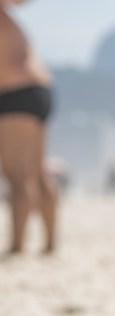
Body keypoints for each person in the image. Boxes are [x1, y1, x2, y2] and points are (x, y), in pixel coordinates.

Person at [0, 0, 58, 255]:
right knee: (38, 172)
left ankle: (17, 247)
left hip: (15, 92)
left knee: (18, 176)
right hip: (39, 90)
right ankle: (50, 244)